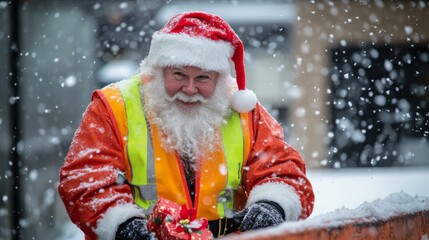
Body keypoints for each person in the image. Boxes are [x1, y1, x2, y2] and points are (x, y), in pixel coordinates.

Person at [58, 11, 314, 240]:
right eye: (179, 74)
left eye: (203, 78)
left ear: (219, 79)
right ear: (158, 71)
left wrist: (272, 204)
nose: (190, 89)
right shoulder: (113, 107)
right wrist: (123, 224)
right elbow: (85, 180)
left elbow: (283, 170)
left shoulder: (243, 109)